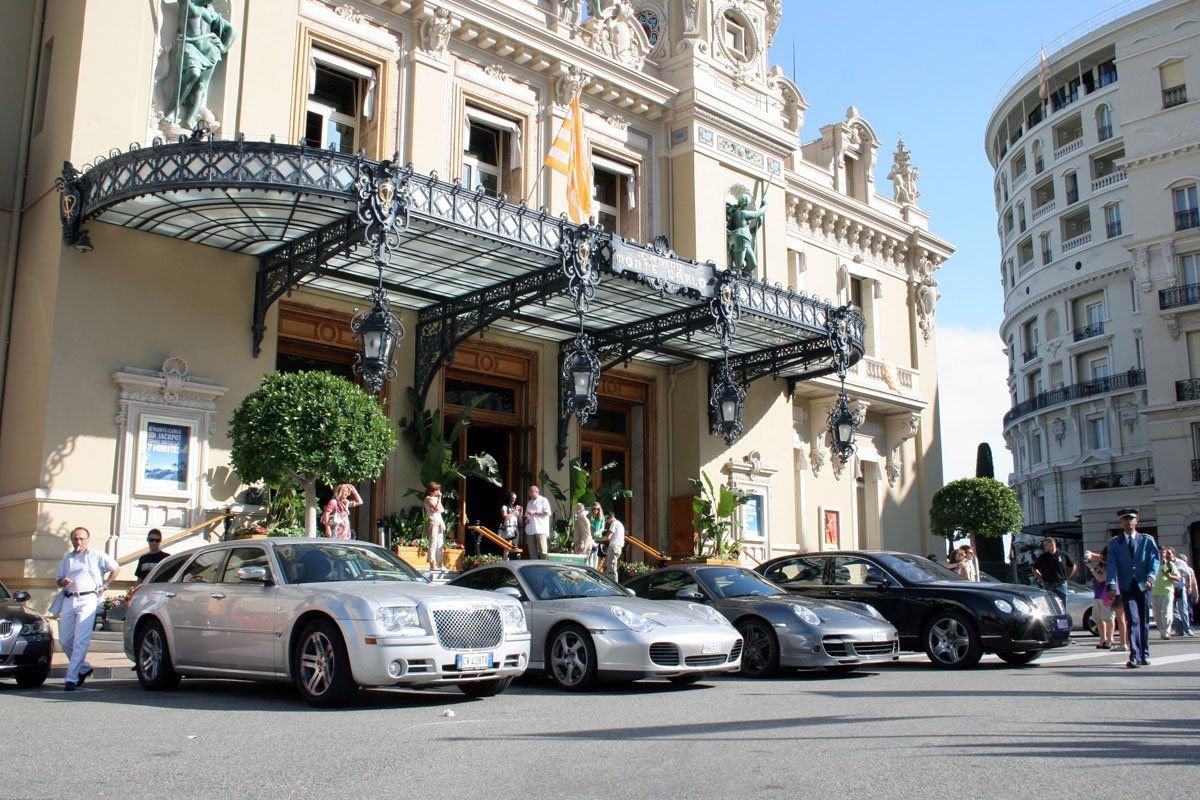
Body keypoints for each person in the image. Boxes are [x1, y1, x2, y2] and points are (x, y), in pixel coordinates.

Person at [51, 527, 118, 691]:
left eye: (81, 539)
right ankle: (84, 667)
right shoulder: (68, 558)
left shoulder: (95, 555)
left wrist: (106, 585)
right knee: (66, 641)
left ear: (88, 539)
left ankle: (71, 678)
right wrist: (63, 582)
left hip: (88, 598)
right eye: (75, 539)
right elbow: (59, 579)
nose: (78, 542)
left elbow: (115, 567)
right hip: (69, 598)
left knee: (81, 639)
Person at [1106, 508, 1160, 668]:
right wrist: (1110, 585)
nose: (1128, 521)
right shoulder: (1115, 543)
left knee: (1143, 620)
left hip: (1144, 585)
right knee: (1133, 619)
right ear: (1121, 522)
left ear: (1137, 522)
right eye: (1125, 519)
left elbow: (1155, 560)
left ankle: (1145, 654)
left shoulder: (1147, 540)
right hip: (1126, 586)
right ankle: (1134, 656)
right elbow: (1111, 564)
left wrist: (1151, 577)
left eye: (1131, 519)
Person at [1032, 536, 1076, 609]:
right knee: (1051, 606)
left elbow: (1073, 566)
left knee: (1063, 605)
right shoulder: (1043, 557)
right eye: (1044, 545)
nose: (1044, 547)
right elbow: (1034, 568)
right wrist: (1041, 579)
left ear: (1052, 545)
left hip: (1061, 584)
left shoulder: (1062, 554)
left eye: (1046, 545)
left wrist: (1067, 577)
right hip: (1048, 585)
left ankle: (1064, 619)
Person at [1084, 548, 1115, 649]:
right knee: (1097, 618)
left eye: (1103, 556)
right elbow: (1092, 555)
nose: (1100, 558)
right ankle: (1103, 639)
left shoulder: (1108, 565)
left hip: (1105, 595)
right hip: (1097, 595)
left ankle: (1110, 639)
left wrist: (1091, 568)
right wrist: (1088, 555)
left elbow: (1101, 579)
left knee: (1108, 618)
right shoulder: (1099, 564)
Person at [1152, 548, 1180, 640]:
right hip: (1155, 592)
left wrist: (1169, 575)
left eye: (1163, 553)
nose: (1161, 554)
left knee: (1166, 612)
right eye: (1159, 552)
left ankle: (1166, 632)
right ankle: (1162, 631)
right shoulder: (1153, 564)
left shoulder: (1169, 564)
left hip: (1167, 591)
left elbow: (1178, 577)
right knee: (1156, 614)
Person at [524, 485, 552, 559]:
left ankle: (544, 565)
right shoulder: (529, 502)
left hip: (540, 528)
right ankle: (534, 565)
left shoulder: (543, 500)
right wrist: (526, 519)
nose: (530, 495)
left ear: (537, 492)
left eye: (532, 493)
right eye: (530, 493)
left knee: (543, 550)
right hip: (531, 528)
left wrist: (535, 512)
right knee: (532, 550)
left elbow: (548, 513)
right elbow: (527, 515)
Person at [424, 482, 446, 573]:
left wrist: (438, 503)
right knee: (432, 544)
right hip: (433, 522)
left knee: (440, 544)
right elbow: (437, 509)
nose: (439, 491)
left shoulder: (436, 499)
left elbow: (442, 510)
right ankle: (432, 565)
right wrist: (439, 499)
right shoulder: (428, 499)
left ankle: (440, 564)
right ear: (432, 491)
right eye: (437, 490)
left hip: (439, 523)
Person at [599, 509, 626, 581]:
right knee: (608, 567)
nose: (606, 521)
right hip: (618, 548)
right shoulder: (620, 524)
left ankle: (615, 588)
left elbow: (608, 537)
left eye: (606, 519)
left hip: (614, 547)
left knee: (611, 569)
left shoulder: (614, 523)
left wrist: (597, 539)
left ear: (609, 517)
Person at [1175, 554, 1197, 637]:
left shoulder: (1181, 563)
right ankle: (1178, 630)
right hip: (1170, 589)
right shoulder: (1166, 564)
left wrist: (1190, 588)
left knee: (1183, 609)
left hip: (1181, 588)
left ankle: (1187, 629)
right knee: (1174, 611)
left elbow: (1191, 578)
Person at [500, 492, 522, 559]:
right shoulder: (505, 506)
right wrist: (515, 511)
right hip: (508, 527)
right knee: (507, 546)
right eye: (512, 498)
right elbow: (505, 517)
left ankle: (514, 560)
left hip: (515, 528)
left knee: (515, 546)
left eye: (515, 498)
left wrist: (521, 512)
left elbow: (520, 522)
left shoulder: (515, 508)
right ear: (509, 498)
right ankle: (506, 560)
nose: (514, 500)